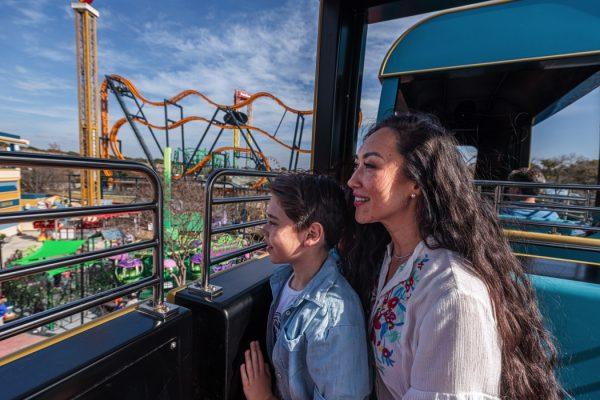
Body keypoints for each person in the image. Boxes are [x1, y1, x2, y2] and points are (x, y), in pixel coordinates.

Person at [344, 112, 562, 399]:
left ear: (416, 183)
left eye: (370, 165)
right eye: (356, 165)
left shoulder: (452, 295)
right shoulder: (390, 257)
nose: (352, 180)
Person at [240, 173, 370, 400]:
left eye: (273, 222)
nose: (264, 230)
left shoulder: (333, 317)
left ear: (312, 234)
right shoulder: (286, 279)